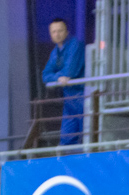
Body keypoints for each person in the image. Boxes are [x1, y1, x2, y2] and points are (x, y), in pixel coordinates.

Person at [42, 18, 85, 146]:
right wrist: (58, 78)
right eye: (54, 31)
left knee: (87, 136)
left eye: (60, 30)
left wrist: (57, 76)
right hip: (69, 100)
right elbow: (45, 75)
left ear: (67, 32)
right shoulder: (55, 52)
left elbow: (70, 71)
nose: (57, 34)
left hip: (83, 96)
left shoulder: (75, 45)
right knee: (66, 140)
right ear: (50, 34)